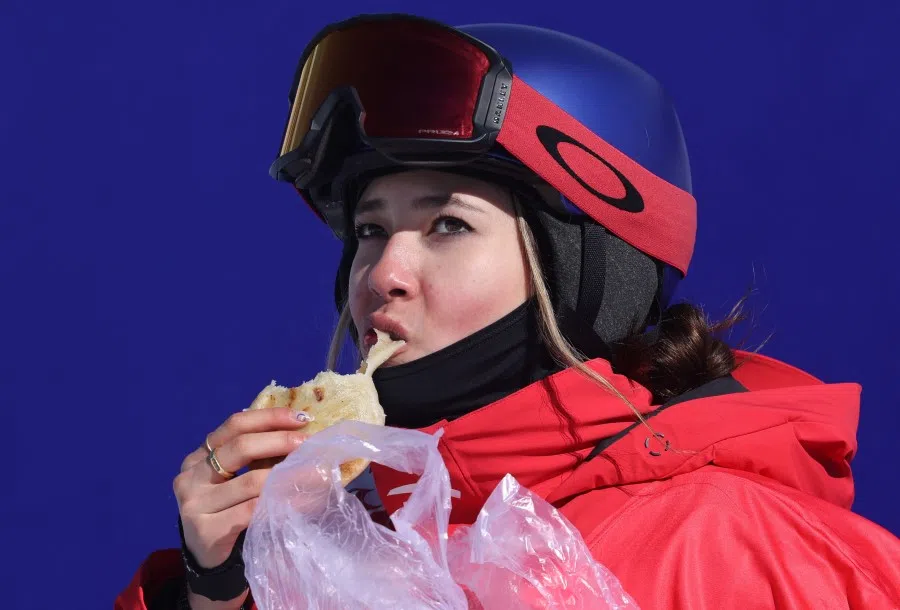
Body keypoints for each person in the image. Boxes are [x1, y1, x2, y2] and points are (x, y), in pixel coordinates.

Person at [116, 13, 900, 610]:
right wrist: (221, 590)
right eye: (369, 230)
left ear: (587, 271)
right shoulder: (350, 557)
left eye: (448, 225)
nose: (382, 274)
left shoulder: (732, 547)